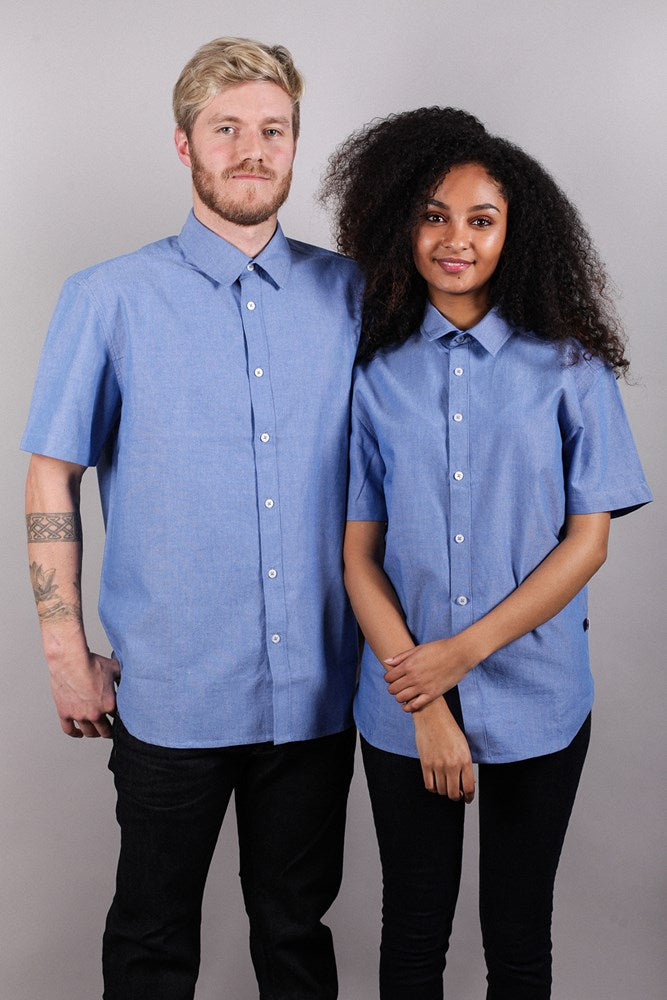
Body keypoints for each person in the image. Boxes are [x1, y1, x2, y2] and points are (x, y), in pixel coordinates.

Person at [22, 36, 361, 1000]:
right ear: (184, 145)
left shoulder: (352, 294)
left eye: (273, 129)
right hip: (169, 695)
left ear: (294, 143)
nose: (253, 150)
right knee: (151, 942)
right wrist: (63, 650)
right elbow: (52, 474)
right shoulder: (109, 298)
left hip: (317, 695)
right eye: (227, 129)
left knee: (296, 939)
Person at [321, 107, 652, 999]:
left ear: (517, 232)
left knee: (518, 937)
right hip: (402, 703)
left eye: (480, 218)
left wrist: (459, 657)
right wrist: (423, 697)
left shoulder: (571, 368)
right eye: (433, 215)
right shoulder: (373, 375)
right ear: (401, 222)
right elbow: (359, 556)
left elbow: (586, 545)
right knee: (412, 931)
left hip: (540, 700)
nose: (454, 239)